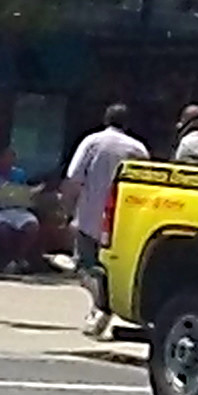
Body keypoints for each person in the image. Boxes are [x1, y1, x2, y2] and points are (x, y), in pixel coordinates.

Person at [60, 104, 150, 338]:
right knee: (110, 269)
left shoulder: (92, 142)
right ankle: (100, 309)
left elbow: (74, 178)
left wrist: (67, 210)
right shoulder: (137, 148)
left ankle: (102, 307)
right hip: (124, 221)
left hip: (90, 215)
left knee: (84, 266)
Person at [0, 148, 44, 273]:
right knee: (3, 230)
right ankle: (10, 260)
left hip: (19, 210)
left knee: (32, 226)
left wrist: (33, 192)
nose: (7, 161)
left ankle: (18, 258)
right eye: (4, 158)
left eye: (10, 158)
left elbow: (25, 191)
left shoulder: (20, 174)